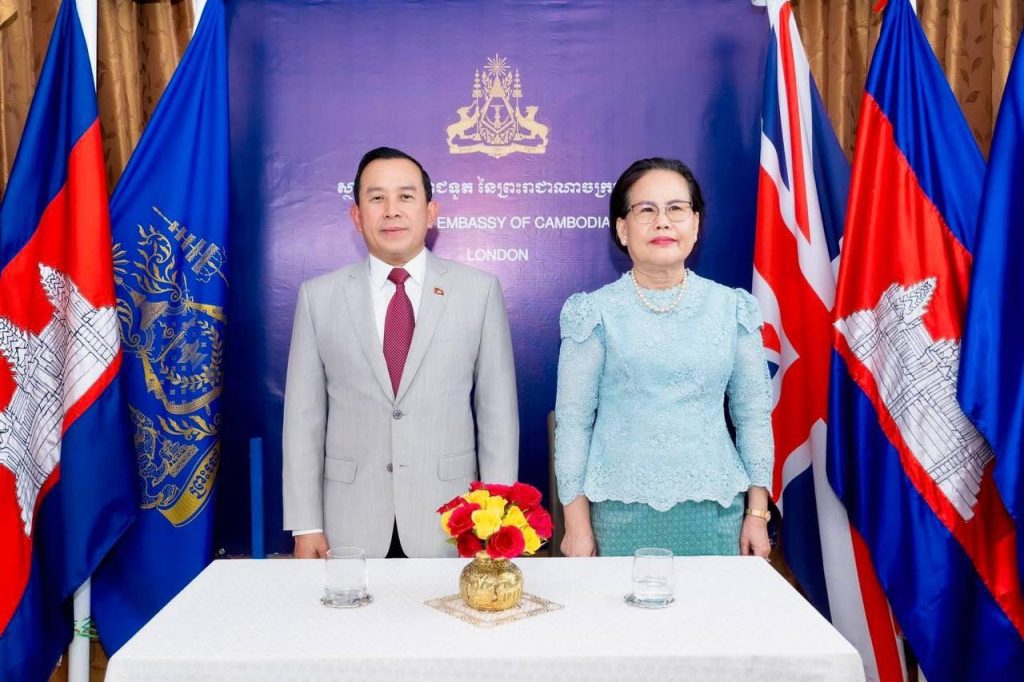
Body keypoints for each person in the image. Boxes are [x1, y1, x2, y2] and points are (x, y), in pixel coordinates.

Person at [282, 147, 519, 559]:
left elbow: (497, 416)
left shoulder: (478, 292)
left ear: (431, 212)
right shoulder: (318, 298)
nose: (391, 211)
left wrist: (494, 519)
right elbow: (302, 421)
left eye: (406, 197)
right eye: (376, 198)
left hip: (453, 522)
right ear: (357, 217)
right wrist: (306, 524)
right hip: (348, 526)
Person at [554, 157, 773, 558]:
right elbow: (573, 424)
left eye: (676, 209)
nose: (663, 222)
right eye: (646, 210)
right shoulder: (593, 312)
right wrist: (577, 526)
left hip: (715, 508)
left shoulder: (733, 308)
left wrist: (757, 512)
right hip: (618, 513)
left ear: (696, 223)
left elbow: (753, 414)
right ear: (622, 228)